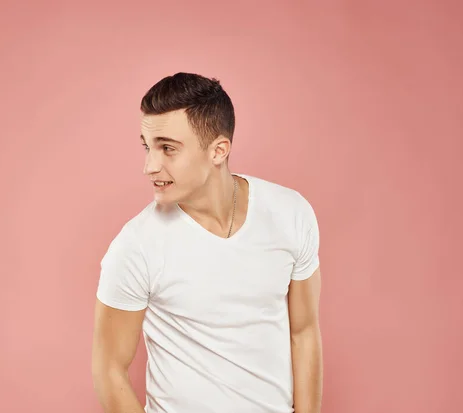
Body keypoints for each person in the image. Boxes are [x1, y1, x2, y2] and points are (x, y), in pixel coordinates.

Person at [91, 72, 323, 413]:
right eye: (147, 146)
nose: (149, 166)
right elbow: (109, 370)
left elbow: (303, 332)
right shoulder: (135, 246)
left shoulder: (290, 213)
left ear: (218, 150)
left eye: (167, 148)